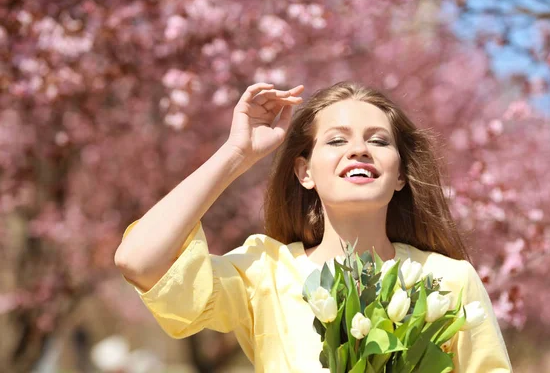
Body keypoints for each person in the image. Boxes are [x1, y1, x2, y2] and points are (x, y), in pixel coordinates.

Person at [114, 81, 513, 372]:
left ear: (400, 176)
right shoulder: (265, 271)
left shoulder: (447, 280)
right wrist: (236, 154)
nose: (360, 149)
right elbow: (139, 260)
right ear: (305, 172)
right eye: (337, 141)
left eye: (379, 140)